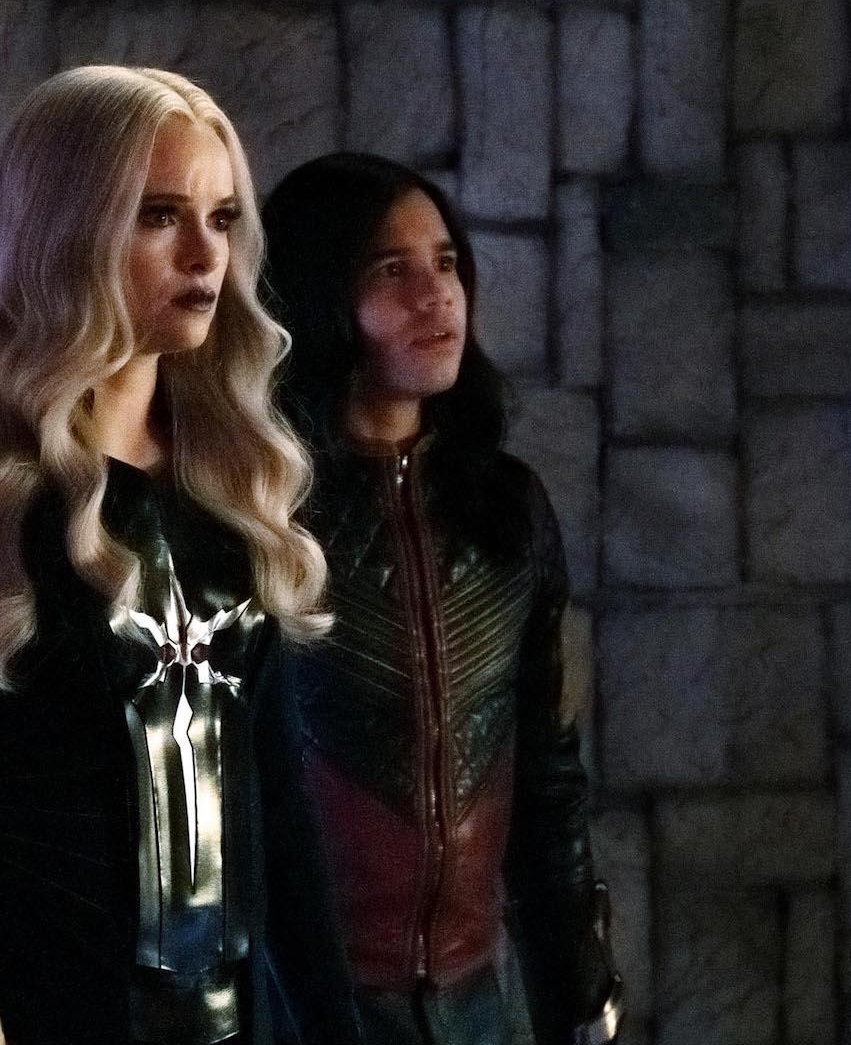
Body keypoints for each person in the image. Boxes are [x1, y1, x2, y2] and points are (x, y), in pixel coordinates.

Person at [0, 66, 360, 1045]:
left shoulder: (230, 475)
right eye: (159, 216)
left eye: (222, 218)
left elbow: (277, 811)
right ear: (63, 228)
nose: (205, 254)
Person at [259, 153, 622, 1045]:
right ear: (321, 295)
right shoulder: (262, 513)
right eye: (393, 270)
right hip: (311, 1008)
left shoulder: (505, 507)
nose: (437, 297)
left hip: (475, 1004)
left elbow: (545, 765)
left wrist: (578, 985)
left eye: (447, 263)